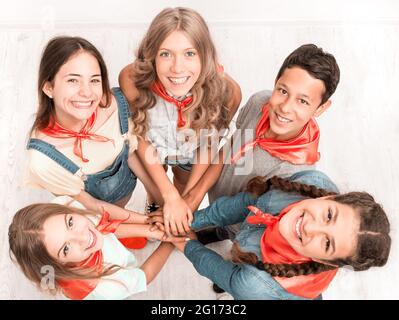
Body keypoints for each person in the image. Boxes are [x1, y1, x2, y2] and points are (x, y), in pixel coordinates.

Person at [182, 44, 341, 241]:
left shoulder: (294, 172)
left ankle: (224, 232)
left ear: (320, 108)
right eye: (283, 91)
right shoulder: (260, 102)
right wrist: (196, 194)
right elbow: (230, 148)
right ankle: (216, 228)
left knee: (232, 237)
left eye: (303, 101)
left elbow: (257, 216)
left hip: (244, 226)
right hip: (215, 200)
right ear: (276, 82)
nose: (285, 107)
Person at [150, 170, 391, 299]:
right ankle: (221, 233)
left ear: (328, 263)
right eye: (329, 215)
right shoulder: (313, 182)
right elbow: (245, 202)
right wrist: (188, 220)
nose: (310, 227)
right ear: (329, 197)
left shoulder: (255, 284)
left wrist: (186, 243)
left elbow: (215, 269)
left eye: (327, 243)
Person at [24, 36, 162, 248]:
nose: (87, 92)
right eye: (72, 80)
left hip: (124, 187)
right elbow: (92, 206)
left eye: (94, 80)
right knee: (105, 236)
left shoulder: (114, 106)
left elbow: (130, 151)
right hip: (97, 209)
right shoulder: (43, 159)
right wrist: (148, 223)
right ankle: (121, 233)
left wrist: (157, 196)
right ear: (49, 88)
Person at [119, 7, 241, 236]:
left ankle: (176, 205)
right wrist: (167, 196)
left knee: (184, 181)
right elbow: (140, 136)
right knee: (157, 186)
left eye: (189, 53)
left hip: (191, 149)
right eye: (165, 54)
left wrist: (186, 202)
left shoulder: (228, 92)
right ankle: (156, 204)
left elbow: (208, 144)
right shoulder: (131, 80)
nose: (177, 68)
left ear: (205, 56)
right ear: (151, 55)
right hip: (152, 146)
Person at [8, 196, 184, 300]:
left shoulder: (63, 204)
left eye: (70, 223)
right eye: (66, 248)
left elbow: (101, 226)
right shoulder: (105, 286)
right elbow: (144, 276)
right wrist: (168, 241)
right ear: (58, 265)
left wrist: (152, 230)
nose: (83, 237)